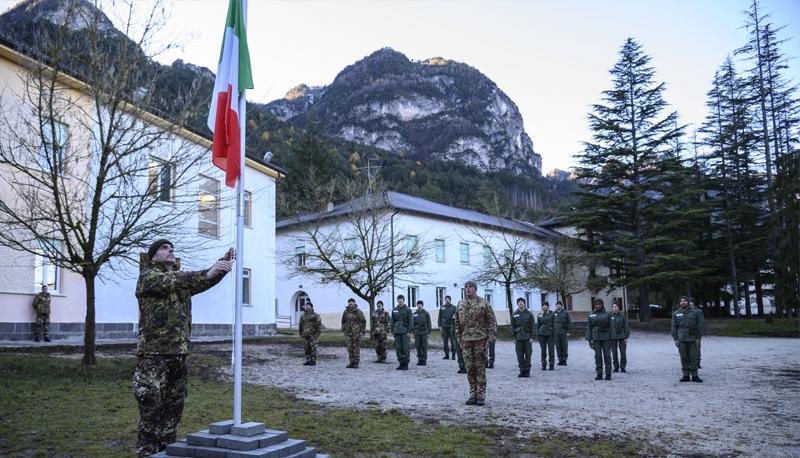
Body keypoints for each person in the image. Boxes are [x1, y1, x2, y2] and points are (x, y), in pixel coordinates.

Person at [133, 240, 233, 457]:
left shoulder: (181, 281)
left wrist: (221, 266)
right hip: (154, 356)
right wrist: (208, 272)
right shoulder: (148, 277)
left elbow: (203, 281)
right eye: (163, 248)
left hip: (178, 355)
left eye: (171, 248)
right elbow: (177, 280)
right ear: (153, 257)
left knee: (172, 413)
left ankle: (167, 452)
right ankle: (148, 453)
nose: (170, 250)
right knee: (151, 412)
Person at [455, 280, 497, 406]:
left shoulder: (483, 303)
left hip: (480, 340)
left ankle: (481, 395)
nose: (468, 289)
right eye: (466, 287)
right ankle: (473, 394)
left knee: (480, 368)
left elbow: (491, 321)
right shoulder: (460, 304)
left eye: (470, 287)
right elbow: (456, 322)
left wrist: (489, 340)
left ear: (475, 289)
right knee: (470, 368)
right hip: (466, 340)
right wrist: (459, 339)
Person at [672, 296, 703, 382]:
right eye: (681, 301)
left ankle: (695, 375)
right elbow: (674, 327)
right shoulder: (676, 313)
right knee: (683, 357)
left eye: (685, 301)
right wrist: (675, 339)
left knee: (694, 357)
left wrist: (698, 338)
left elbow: (699, 326)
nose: (683, 302)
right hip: (681, 339)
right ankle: (685, 375)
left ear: (688, 302)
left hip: (693, 339)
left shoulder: (695, 313)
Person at [586, 298, 612, 380]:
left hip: (606, 337)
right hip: (596, 337)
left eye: (600, 304)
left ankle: (608, 374)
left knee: (607, 356)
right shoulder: (591, 314)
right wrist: (589, 339)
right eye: (596, 304)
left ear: (602, 305)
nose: (598, 305)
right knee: (598, 356)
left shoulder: (607, 314)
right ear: (594, 305)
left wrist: (612, 339)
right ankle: (599, 373)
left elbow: (611, 327)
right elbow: (589, 327)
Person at [511, 297, 534, 377]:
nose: (520, 303)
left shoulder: (529, 314)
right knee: (519, 356)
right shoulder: (514, 314)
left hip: (527, 338)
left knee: (528, 355)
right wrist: (513, 338)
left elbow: (533, 326)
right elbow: (512, 327)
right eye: (519, 302)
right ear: (517, 304)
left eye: (522, 302)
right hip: (518, 338)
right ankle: (522, 370)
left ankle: (527, 371)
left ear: (524, 303)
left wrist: (532, 337)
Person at [341, 298, 366, 368]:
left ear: (354, 303)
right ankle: (351, 362)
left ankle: (356, 362)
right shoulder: (346, 312)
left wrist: (362, 331)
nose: (350, 303)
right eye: (349, 302)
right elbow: (343, 321)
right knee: (349, 348)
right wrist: (343, 330)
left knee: (356, 348)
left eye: (352, 302)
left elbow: (363, 321)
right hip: (348, 333)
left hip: (356, 333)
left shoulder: (358, 311)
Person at [391, 294, 412, 370]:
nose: (400, 300)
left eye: (401, 299)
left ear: (403, 300)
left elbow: (411, 321)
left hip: (405, 332)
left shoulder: (408, 309)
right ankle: (401, 363)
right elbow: (392, 321)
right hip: (397, 332)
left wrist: (409, 331)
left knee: (405, 348)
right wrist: (392, 331)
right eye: (398, 299)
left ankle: (406, 364)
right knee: (398, 348)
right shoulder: (394, 309)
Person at [299, 302, 321, 366]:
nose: (307, 307)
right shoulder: (303, 315)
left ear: (311, 307)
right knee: (306, 349)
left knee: (313, 349)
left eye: (308, 306)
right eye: (306, 306)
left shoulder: (315, 315)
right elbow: (300, 325)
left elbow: (319, 326)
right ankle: (308, 360)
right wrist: (300, 333)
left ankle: (313, 361)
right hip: (305, 335)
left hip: (312, 335)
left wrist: (316, 335)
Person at [609, 302, 630, 373]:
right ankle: (616, 367)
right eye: (613, 307)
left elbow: (626, 327)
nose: (615, 308)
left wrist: (626, 336)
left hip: (622, 336)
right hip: (613, 337)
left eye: (616, 307)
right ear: (612, 308)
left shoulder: (622, 316)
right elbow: (608, 327)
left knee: (623, 352)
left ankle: (623, 367)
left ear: (618, 308)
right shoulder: (609, 316)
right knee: (614, 353)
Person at [536, 301, 555, 370]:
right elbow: (538, 325)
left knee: (551, 350)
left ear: (548, 306)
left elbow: (554, 324)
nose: (544, 306)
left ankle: (551, 365)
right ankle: (543, 365)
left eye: (546, 305)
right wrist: (537, 334)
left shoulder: (552, 314)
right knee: (543, 351)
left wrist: (554, 333)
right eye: (543, 305)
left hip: (550, 334)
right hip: (542, 334)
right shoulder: (540, 314)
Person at [412, 300, 432, 365]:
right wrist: (413, 331)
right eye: (418, 304)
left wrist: (429, 331)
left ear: (422, 305)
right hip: (417, 333)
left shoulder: (426, 313)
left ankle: (424, 360)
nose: (419, 305)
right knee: (418, 346)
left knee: (424, 347)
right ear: (417, 305)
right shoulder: (414, 314)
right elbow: (412, 323)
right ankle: (419, 359)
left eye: (420, 304)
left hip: (424, 332)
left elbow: (429, 323)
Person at [553, 300, 571, 365]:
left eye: (559, 304)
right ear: (556, 306)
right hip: (556, 333)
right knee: (558, 347)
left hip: (563, 332)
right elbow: (552, 323)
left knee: (564, 347)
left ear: (561, 305)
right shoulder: (554, 313)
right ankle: (560, 360)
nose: (558, 305)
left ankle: (564, 360)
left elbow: (569, 322)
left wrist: (568, 331)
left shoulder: (565, 313)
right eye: (557, 304)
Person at [689, 298, 704, 369]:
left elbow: (701, 323)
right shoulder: (685, 311)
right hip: (687, 333)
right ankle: (689, 362)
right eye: (689, 302)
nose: (690, 303)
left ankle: (697, 362)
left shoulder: (698, 311)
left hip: (696, 333)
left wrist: (700, 334)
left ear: (694, 303)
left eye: (692, 302)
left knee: (697, 347)